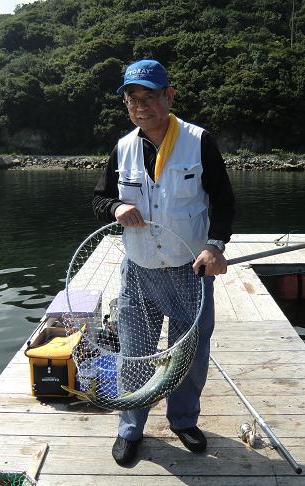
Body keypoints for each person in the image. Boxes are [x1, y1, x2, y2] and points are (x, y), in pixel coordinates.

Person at [92, 59, 235, 466]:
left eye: (149, 96)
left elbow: (223, 201)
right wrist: (116, 206)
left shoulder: (198, 140)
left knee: (188, 353)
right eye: (132, 98)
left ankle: (183, 420)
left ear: (168, 97)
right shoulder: (122, 147)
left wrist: (215, 245)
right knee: (135, 351)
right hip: (138, 270)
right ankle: (130, 428)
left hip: (191, 268)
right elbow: (98, 198)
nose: (141, 105)